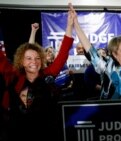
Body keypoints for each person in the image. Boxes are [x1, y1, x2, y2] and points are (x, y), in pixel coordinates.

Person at [0, 4, 74, 141]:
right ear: (21, 61)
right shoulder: (13, 75)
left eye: (37, 58)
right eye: (28, 58)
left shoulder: (47, 74)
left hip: (43, 132)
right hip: (15, 133)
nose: (33, 61)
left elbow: (63, 53)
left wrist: (70, 25)